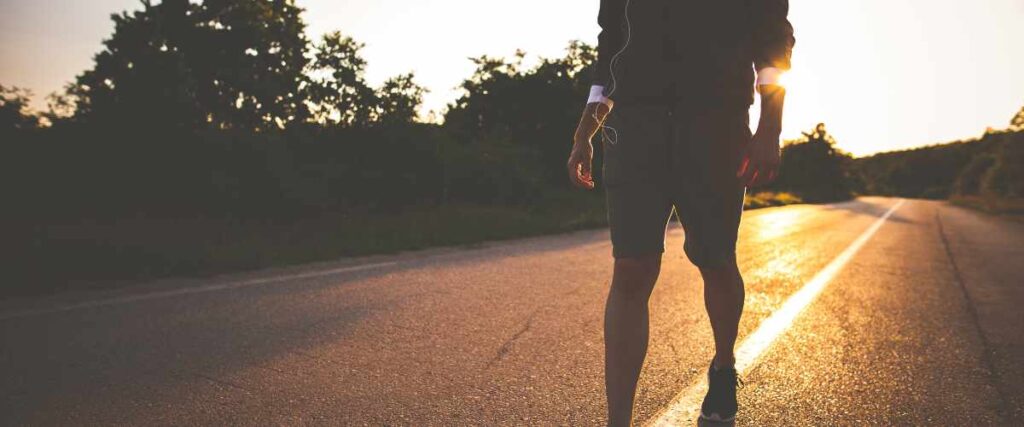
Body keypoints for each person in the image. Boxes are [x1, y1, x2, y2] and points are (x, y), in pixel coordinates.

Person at [567, 0, 795, 424]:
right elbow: (610, 49)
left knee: (715, 259)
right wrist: (585, 131)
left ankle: (723, 367)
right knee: (631, 267)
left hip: (716, 125)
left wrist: (770, 128)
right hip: (635, 127)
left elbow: (773, 43)